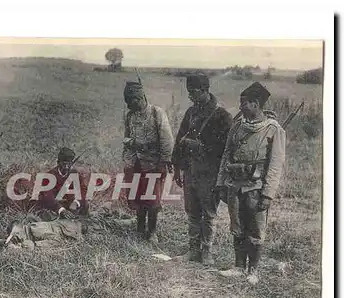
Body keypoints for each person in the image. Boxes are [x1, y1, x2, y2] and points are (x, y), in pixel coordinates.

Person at [215, 82, 286, 285]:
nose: (241, 107)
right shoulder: (237, 126)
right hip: (234, 185)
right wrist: (221, 184)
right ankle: (238, 267)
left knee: (255, 230)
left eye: (244, 103)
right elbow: (226, 155)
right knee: (237, 226)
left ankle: (253, 270)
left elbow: (275, 165)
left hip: (256, 188)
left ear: (256, 104)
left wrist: (268, 194)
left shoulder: (273, 130)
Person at [172, 73, 233, 265]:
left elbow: (226, 148)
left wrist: (201, 147)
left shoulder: (222, 116)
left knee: (208, 213)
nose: (190, 96)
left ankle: (206, 252)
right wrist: (176, 168)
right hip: (191, 171)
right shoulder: (191, 113)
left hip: (210, 173)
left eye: (193, 92)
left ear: (205, 90)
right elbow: (179, 140)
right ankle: (193, 250)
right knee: (192, 212)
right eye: (188, 92)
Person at [122, 81, 174, 244]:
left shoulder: (157, 113)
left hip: (154, 164)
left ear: (140, 98)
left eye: (132, 101)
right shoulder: (130, 115)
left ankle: (152, 232)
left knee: (152, 200)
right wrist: (128, 160)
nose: (130, 106)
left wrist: (163, 162)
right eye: (128, 102)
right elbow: (127, 137)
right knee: (137, 198)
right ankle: (139, 228)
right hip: (136, 163)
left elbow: (167, 140)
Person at [35, 147, 90, 221]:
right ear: (58, 163)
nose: (67, 167)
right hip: (53, 206)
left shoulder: (75, 173)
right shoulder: (49, 176)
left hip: (69, 205)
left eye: (69, 164)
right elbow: (48, 197)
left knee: (84, 206)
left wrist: (76, 202)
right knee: (48, 216)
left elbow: (83, 190)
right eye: (64, 164)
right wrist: (60, 209)